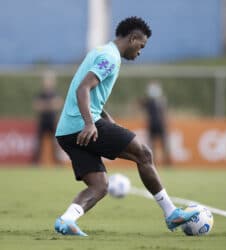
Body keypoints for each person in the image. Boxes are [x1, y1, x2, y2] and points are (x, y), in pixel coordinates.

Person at [54, 16, 198, 236]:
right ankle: (171, 213)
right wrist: (90, 123)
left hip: (66, 132)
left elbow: (92, 95)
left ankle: (67, 220)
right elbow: (83, 89)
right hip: (81, 125)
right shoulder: (110, 57)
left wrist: (106, 120)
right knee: (144, 154)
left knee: (99, 186)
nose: (140, 52)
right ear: (132, 39)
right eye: (141, 46)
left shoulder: (101, 52)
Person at [32, 71, 63, 165]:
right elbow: (37, 106)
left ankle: (57, 161)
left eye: (49, 81)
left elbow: (58, 104)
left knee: (56, 142)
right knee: (39, 142)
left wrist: (44, 105)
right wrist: (50, 105)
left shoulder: (56, 93)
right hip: (43, 121)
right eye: (46, 81)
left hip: (53, 121)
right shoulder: (40, 94)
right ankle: (36, 161)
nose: (47, 83)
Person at [140, 81, 172, 165]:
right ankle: (153, 162)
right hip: (152, 125)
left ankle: (167, 162)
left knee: (164, 143)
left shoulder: (162, 100)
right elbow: (140, 104)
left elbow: (164, 113)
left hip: (160, 125)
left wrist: (166, 123)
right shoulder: (148, 101)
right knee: (152, 144)